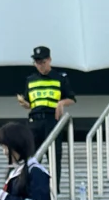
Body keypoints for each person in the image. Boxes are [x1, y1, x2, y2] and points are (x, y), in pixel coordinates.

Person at [17, 45, 75, 184]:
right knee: (32, 157)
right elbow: (30, 103)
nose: (40, 66)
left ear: (49, 60)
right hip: (34, 121)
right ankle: (32, 187)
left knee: (54, 156)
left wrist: (61, 103)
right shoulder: (30, 80)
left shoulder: (59, 78)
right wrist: (24, 103)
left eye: (43, 62)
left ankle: (55, 188)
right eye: (37, 63)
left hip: (52, 120)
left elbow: (72, 98)